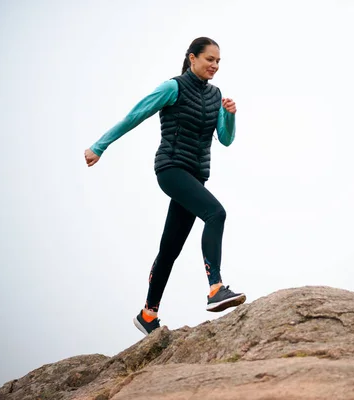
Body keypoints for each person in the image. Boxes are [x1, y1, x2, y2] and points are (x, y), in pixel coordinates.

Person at [84, 37, 246, 336]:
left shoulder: (216, 95)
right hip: (171, 169)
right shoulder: (172, 87)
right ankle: (215, 288)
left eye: (218, 61)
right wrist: (99, 146)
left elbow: (224, 138)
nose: (215, 65)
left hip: (196, 175)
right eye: (209, 59)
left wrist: (231, 116)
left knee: (170, 247)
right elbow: (135, 115)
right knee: (215, 213)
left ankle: (148, 314)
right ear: (192, 58)